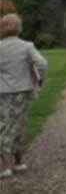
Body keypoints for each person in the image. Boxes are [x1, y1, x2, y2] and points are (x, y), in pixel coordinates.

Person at [0, 13, 48, 178]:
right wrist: (40, 78)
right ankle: (19, 162)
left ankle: (6, 166)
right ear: (19, 28)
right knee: (19, 125)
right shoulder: (27, 46)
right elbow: (42, 63)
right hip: (22, 92)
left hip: (3, 92)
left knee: (4, 126)